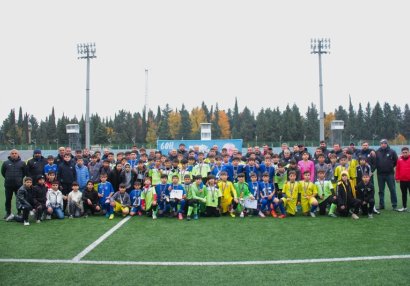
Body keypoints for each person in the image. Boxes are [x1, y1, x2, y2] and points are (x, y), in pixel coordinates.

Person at [1, 149, 27, 219]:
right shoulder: (5, 163)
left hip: (18, 185)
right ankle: (8, 213)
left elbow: (24, 173)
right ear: (10, 154)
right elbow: (3, 172)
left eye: (15, 153)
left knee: (19, 199)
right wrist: (8, 178)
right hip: (8, 185)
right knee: (8, 199)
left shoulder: (22, 163)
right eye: (12, 153)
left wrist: (19, 179)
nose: (14, 154)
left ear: (18, 154)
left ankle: (19, 212)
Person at [375, 139, 398, 210]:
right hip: (380, 174)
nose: (383, 144)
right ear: (380, 144)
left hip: (390, 174)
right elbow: (375, 162)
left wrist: (390, 166)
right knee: (381, 191)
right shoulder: (377, 152)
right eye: (382, 143)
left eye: (384, 143)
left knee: (392, 189)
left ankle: (394, 205)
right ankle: (381, 205)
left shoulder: (392, 152)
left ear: (387, 144)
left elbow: (396, 161)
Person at [395, 146, 410, 212]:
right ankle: (404, 207)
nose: (404, 154)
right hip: (402, 180)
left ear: (408, 152)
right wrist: (397, 178)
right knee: (404, 194)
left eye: (406, 152)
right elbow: (397, 169)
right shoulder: (399, 159)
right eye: (403, 152)